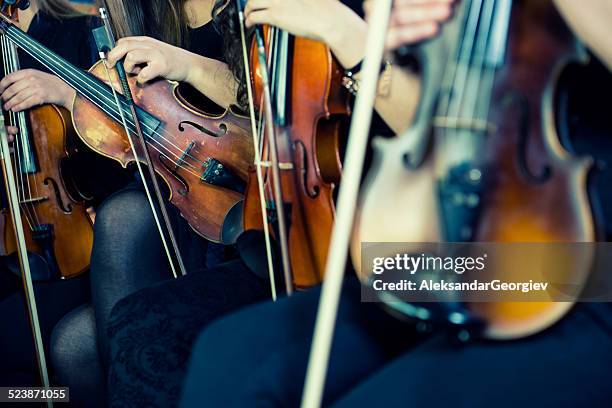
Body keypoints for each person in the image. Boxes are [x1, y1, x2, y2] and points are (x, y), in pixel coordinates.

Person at [180, 0, 612, 407]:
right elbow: (436, 134)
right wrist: (368, 48)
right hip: (486, 249)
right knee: (227, 356)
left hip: (587, 268)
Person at [93, 0, 437, 406]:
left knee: (217, 355)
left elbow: (434, 134)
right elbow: (253, 103)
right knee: (135, 325)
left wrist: (347, 34)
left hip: (418, 252)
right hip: (302, 230)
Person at [0, 0, 126, 394]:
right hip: (14, 227)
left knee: (13, 335)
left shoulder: (81, 28)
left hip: (85, 221)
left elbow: (123, 139)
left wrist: (63, 91)